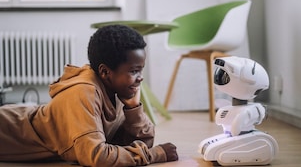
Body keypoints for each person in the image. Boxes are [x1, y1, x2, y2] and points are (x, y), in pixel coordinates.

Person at [0, 25, 178, 166]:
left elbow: (141, 143)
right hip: (8, 128)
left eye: (141, 70)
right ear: (105, 72)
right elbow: (97, 157)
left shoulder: (117, 91)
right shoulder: (83, 92)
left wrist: (133, 109)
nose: (140, 78)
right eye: (133, 71)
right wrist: (156, 155)